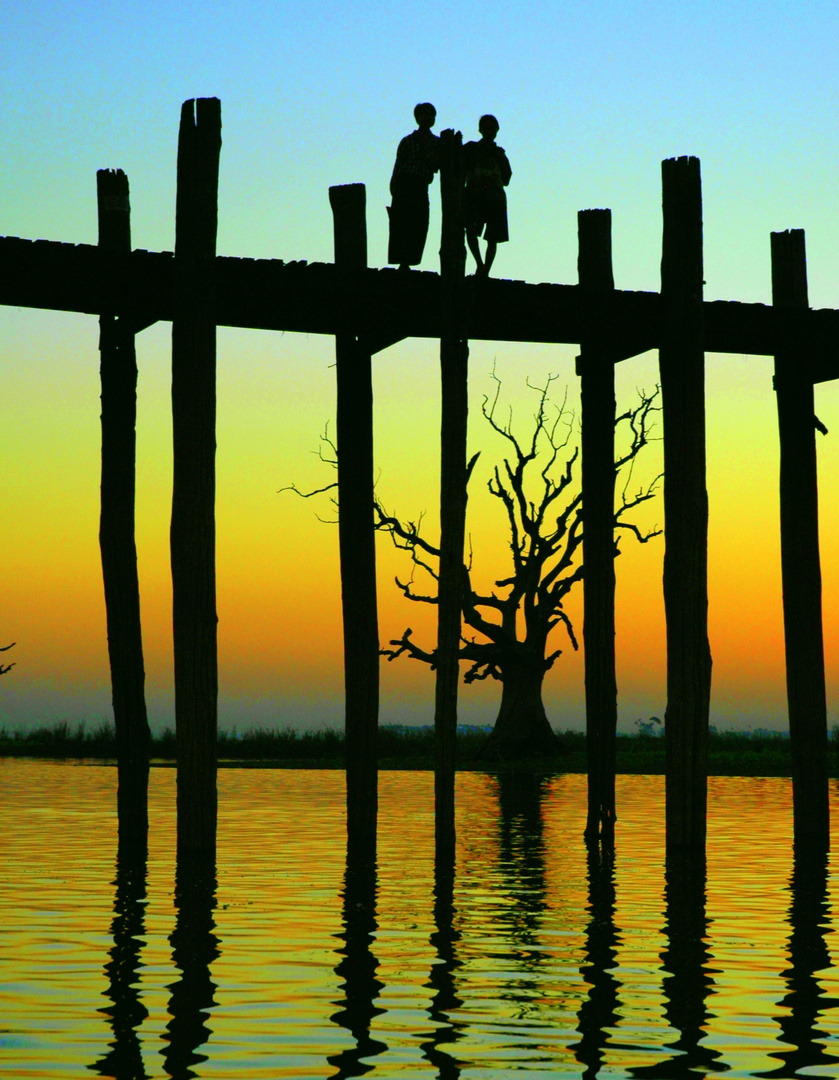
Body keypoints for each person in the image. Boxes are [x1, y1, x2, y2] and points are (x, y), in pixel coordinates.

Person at [388, 103, 440, 270]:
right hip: (404, 184)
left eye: (431, 115)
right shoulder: (407, 140)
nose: (428, 118)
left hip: (421, 185)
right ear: (417, 118)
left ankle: (410, 260)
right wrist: (394, 187)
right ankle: (402, 262)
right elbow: (398, 166)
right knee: (401, 223)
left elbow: (436, 165)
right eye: (424, 115)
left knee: (419, 223)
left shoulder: (437, 143)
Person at [463, 114, 512, 277]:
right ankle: (480, 264)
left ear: (496, 130)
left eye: (492, 128)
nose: (489, 131)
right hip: (475, 194)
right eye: (486, 128)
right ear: (480, 130)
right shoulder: (471, 149)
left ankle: (485, 270)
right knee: (470, 230)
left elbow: (507, 177)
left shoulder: (499, 153)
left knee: (493, 236)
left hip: (495, 195)